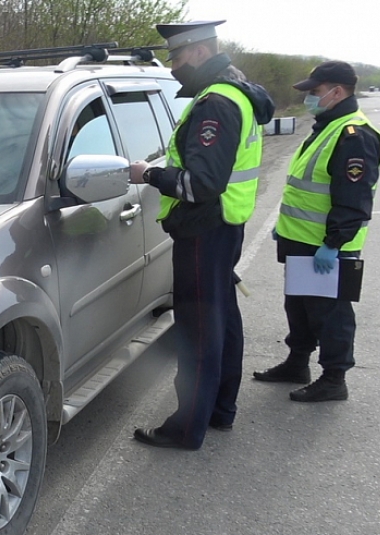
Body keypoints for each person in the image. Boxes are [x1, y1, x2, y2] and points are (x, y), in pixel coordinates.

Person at [129, 20, 274, 449]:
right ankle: (219, 410)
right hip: (223, 227)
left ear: (197, 52)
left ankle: (185, 428)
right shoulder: (235, 92)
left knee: (198, 333)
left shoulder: (215, 103)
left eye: (175, 58)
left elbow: (200, 184)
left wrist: (149, 173)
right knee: (222, 321)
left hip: (203, 231)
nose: (173, 67)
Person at [252, 61, 380, 402]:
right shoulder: (328, 126)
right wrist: (285, 229)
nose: (311, 98)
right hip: (302, 240)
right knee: (298, 308)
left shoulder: (353, 135)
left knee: (332, 315)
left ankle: (333, 379)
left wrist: (334, 243)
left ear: (336, 92)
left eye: (314, 92)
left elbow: (352, 199)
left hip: (327, 248)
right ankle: (298, 363)